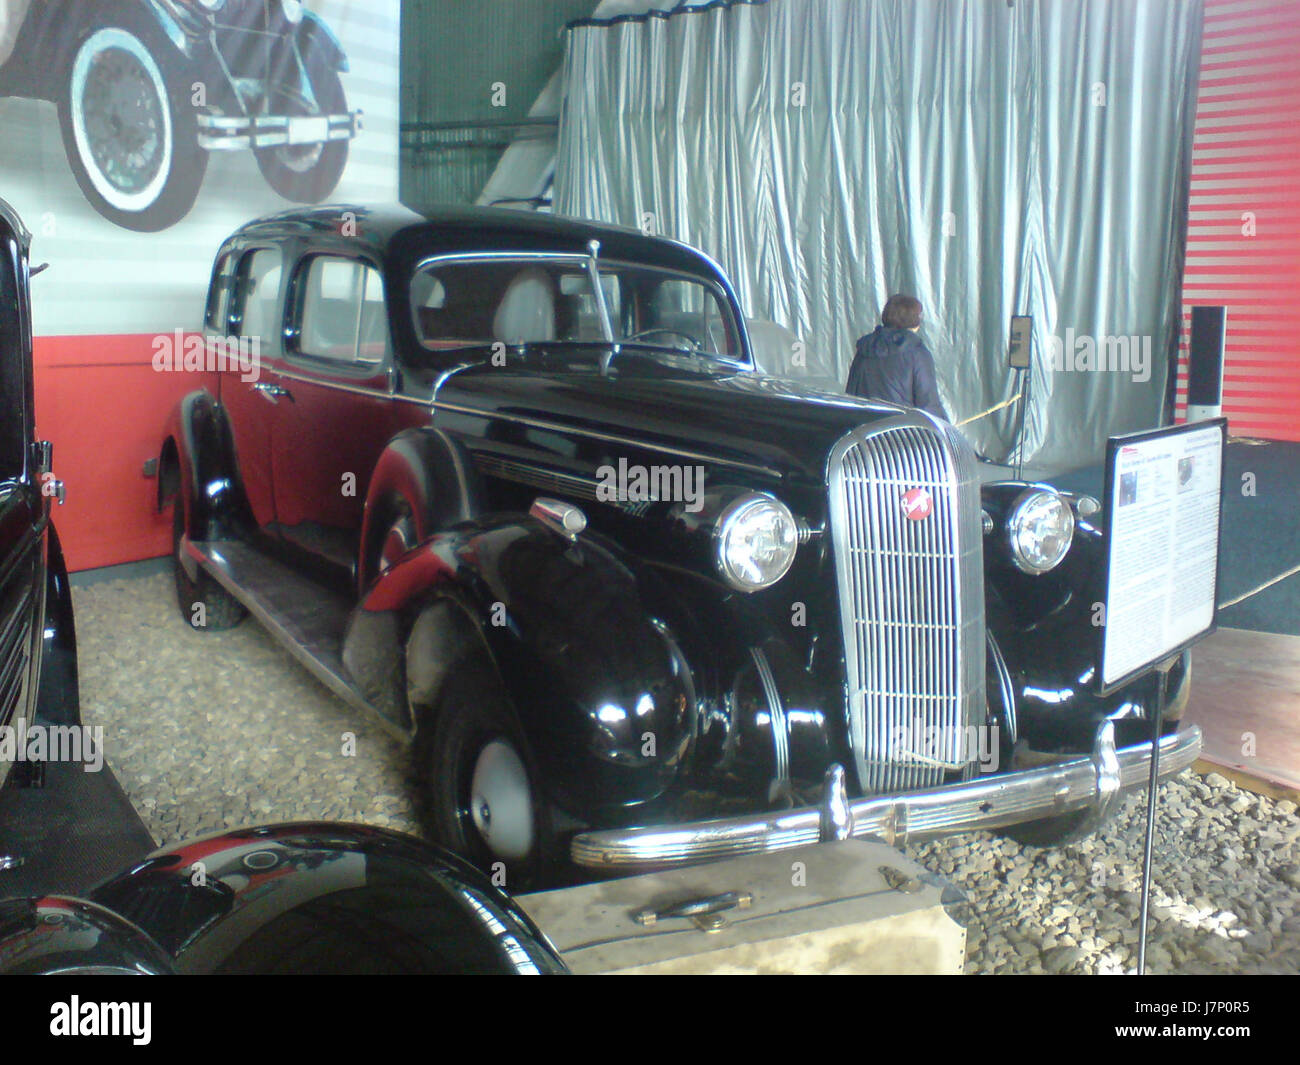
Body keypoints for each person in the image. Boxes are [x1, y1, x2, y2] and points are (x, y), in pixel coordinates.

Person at [846, 294, 950, 422]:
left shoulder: (864, 349)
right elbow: (928, 405)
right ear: (915, 321)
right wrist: (945, 429)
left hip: (864, 435)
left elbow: (851, 397)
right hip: (901, 437)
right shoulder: (917, 353)